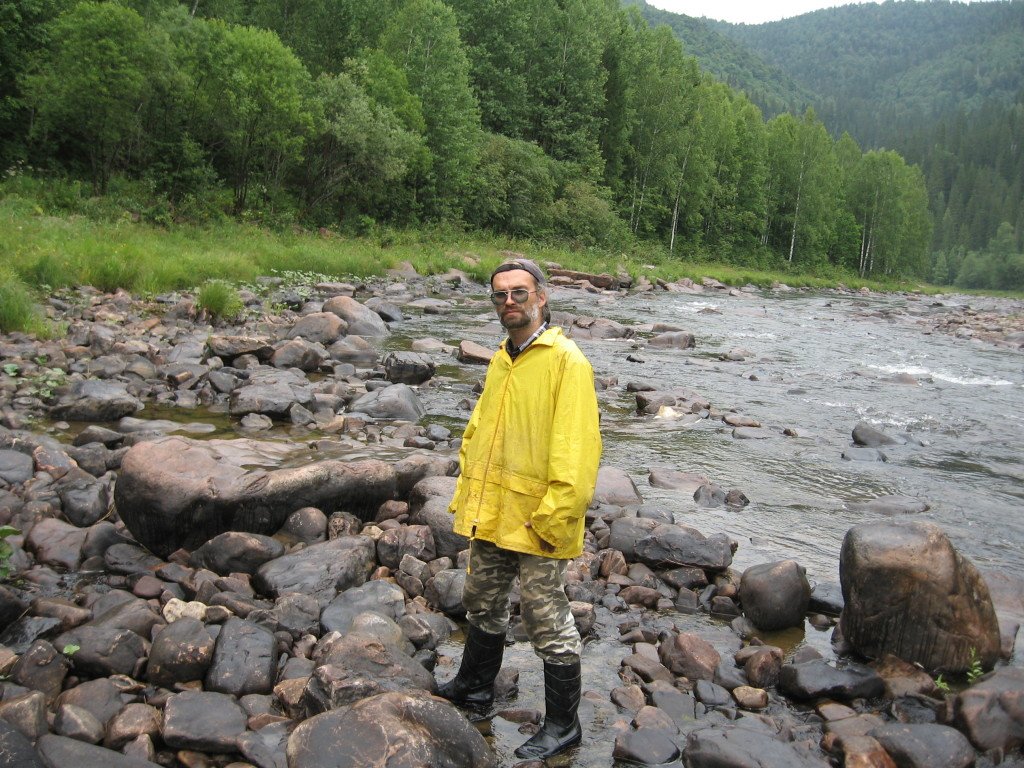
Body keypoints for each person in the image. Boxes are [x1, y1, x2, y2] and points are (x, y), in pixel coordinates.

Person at [440, 257, 602, 760]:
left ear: (542, 297)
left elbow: (578, 451)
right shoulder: (501, 358)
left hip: (539, 520)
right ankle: (474, 687)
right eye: (500, 294)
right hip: (492, 511)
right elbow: (478, 431)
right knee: (481, 599)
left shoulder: (566, 361)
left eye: (519, 292)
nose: (509, 301)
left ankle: (563, 725)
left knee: (545, 617)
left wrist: (553, 517)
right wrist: (469, 490)